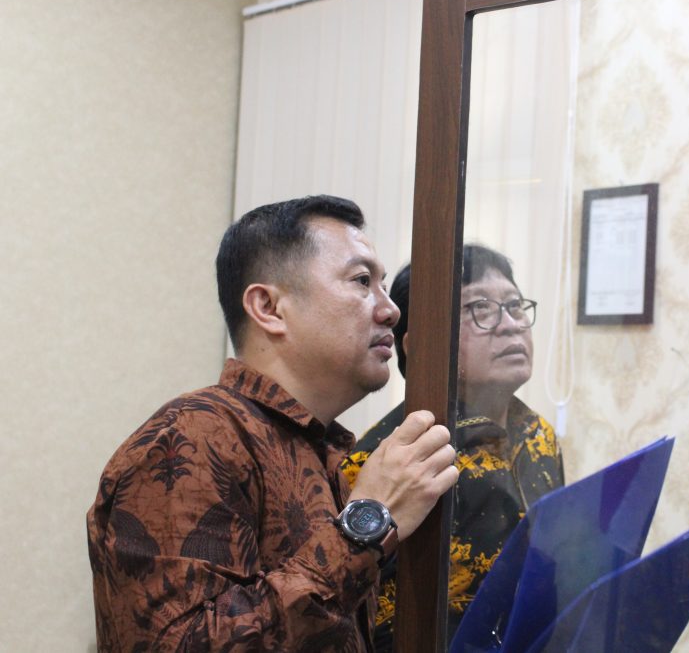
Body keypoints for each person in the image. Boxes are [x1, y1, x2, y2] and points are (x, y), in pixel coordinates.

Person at [86, 195, 459, 651]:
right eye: (362, 281)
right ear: (268, 307)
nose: (391, 310)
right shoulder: (192, 435)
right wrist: (367, 523)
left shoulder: (322, 453)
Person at [343, 244, 565, 650]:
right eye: (480, 308)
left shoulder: (539, 435)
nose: (510, 325)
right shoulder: (389, 459)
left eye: (514, 305)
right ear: (419, 345)